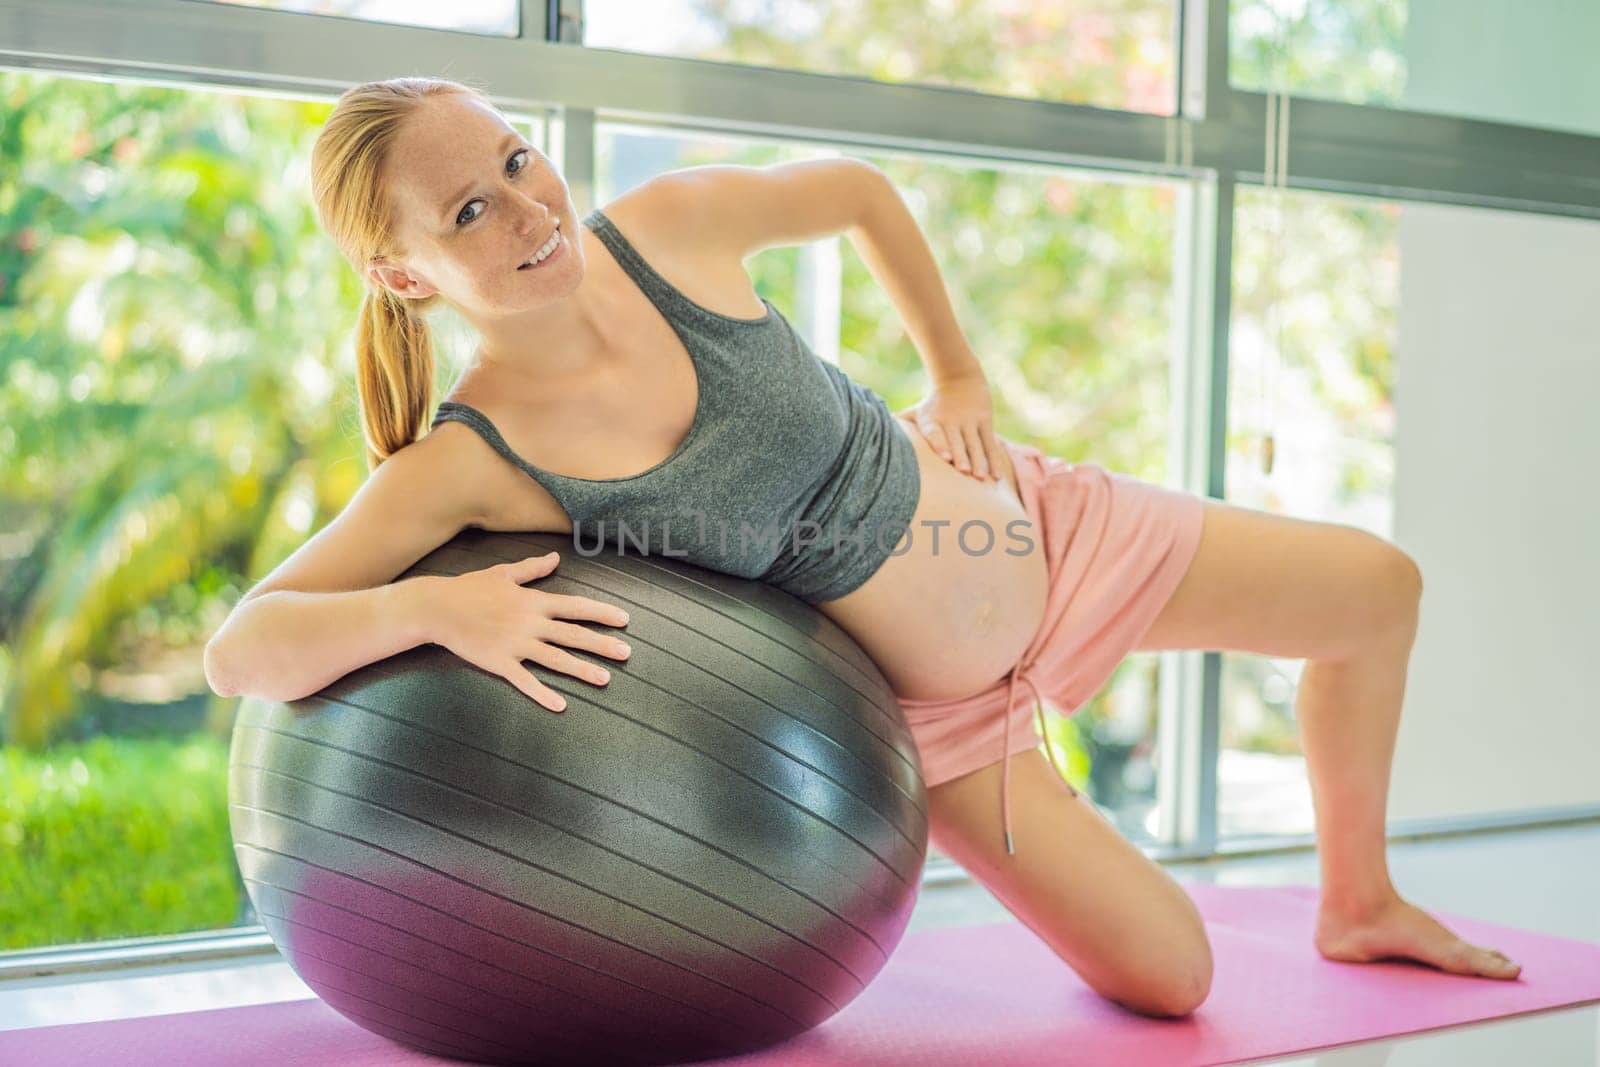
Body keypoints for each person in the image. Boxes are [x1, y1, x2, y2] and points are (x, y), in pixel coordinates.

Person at [204, 76, 1520, 1020]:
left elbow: (858, 195)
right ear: (403, 275)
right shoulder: (476, 457)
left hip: (1040, 529)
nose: (524, 207)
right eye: (468, 213)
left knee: (1375, 592)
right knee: (1178, 981)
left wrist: (956, 377)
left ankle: (1359, 898)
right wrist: (436, 617)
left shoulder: (666, 231)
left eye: (514, 159)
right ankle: (1059, 808)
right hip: (937, 723)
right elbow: (242, 646)